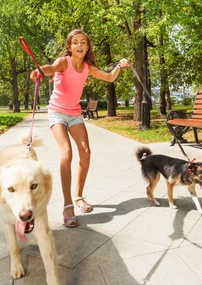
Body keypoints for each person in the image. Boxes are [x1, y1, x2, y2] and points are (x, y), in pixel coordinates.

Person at [30, 29, 129, 227]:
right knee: (66, 152)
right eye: (75, 42)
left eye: (83, 42)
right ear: (69, 47)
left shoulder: (87, 67)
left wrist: (120, 65)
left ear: (87, 46)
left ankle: (78, 196)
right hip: (57, 112)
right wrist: (39, 71)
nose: (79, 45)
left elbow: (109, 77)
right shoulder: (63, 62)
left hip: (74, 113)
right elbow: (50, 67)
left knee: (85, 152)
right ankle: (68, 205)